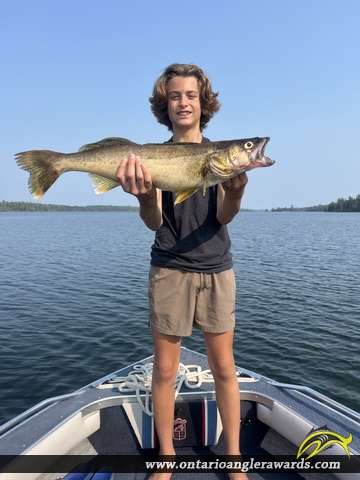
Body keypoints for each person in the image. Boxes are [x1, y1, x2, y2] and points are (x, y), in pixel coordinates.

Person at [117, 63, 249, 480]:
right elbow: (155, 221)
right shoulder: (150, 158)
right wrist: (142, 198)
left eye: (191, 95)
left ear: (203, 102)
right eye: (175, 95)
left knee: (225, 368)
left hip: (216, 267)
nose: (183, 102)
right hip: (169, 267)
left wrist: (236, 191)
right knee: (165, 370)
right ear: (165, 104)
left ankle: (233, 456)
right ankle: (167, 456)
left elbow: (224, 216)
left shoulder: (219, 156)